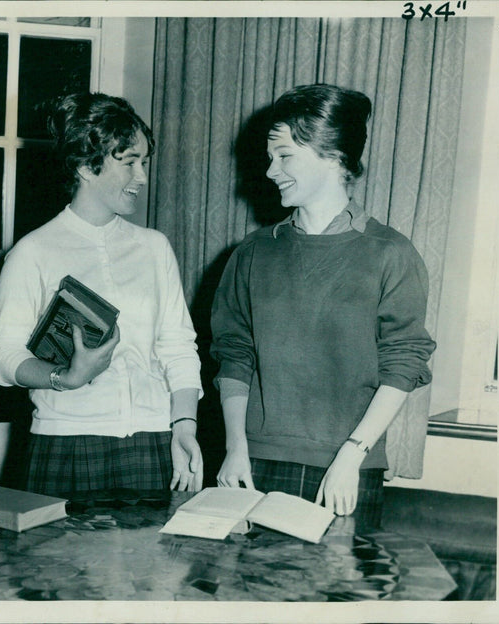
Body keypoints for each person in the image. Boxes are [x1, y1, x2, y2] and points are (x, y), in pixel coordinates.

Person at [210, 84, 436, 527]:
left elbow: (404, 361)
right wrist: (235, 447)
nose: (271, 169)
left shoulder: (390, 253)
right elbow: (234, 354)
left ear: (331, 156)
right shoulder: (253, 253)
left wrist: (352, 455)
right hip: (254, 464)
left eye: (284, 155)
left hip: (346, 467)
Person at [0, 92, 203, 497]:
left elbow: (177, 347)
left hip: (153, 444)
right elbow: (3, 357)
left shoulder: (155, 247)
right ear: (87, 165)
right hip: (68, 443)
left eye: (144, 162)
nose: (142, 177)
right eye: (129, 163)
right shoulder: (33, 252)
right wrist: (64, 378)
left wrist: (183, 426)